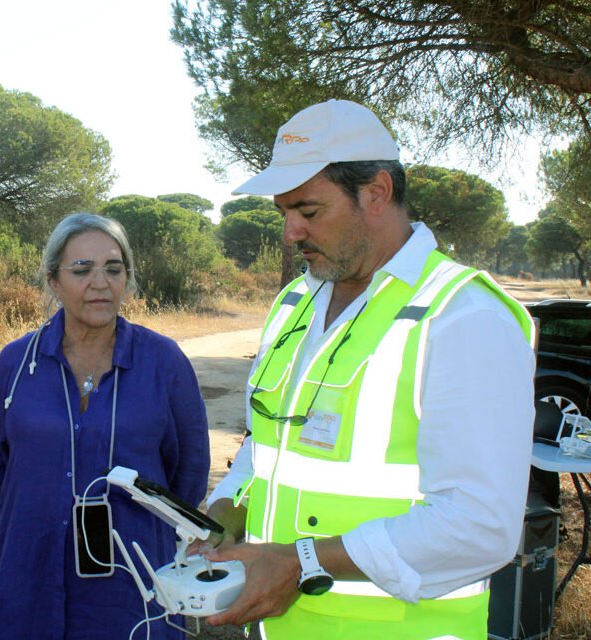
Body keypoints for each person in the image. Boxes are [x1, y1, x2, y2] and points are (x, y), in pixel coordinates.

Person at [199, 100, 536, 639]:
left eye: (308, 212)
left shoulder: (463, 318)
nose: (290, 234)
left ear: (376, 193)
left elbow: (480, 527)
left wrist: (300, 563)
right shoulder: (294, 306)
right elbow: (266, 445)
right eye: (282, 213)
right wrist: (226, 507)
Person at [0, 212, 211, 639]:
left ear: (128, 280)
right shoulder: (16, 362)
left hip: (133, 574)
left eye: (113, 269)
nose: (100, 282)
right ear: (53, 281)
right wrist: (40, 507)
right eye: (81, 269)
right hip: (27, 566)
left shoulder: (163, 362)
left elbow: (187, 473)